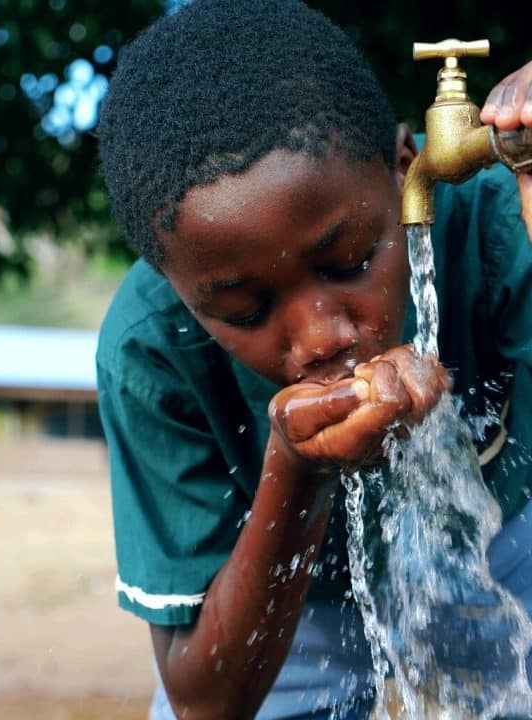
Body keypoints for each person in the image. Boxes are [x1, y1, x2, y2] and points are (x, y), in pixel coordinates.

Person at [94, 0, 532, 717]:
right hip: (289, 600)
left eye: (351, 260)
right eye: (245, 312)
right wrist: (298, 466)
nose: (321, 337)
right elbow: (205, 701)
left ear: (405, 170)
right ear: (178, 289)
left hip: (498, 540)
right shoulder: (150, 348)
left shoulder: (495, 223)